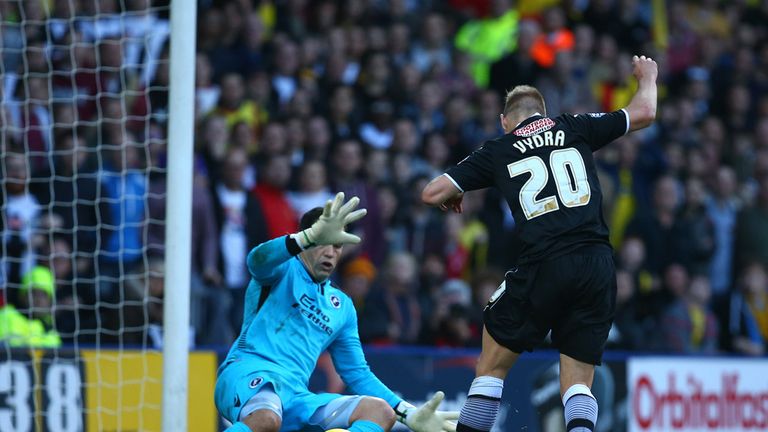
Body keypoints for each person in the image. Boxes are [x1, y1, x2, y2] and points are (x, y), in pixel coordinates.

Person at [421, 55, 658, 432]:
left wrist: (455, 192)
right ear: (544, 113)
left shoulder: (498, 148)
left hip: (545, 261)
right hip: (597, 264)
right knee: (578, 380)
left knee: (492, 363)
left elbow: (432, 193)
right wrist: (648, 76)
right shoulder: (575, 126)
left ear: (505, 121)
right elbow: (644, 111)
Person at [214, 192, 458, 432]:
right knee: (267, 419)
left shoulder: (342, 307)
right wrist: (305, 237)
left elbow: (357, 374)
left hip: (295, 397)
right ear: (306, 240)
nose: (330, 252)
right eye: (322, 242)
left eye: (338, 245)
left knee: (380, 412)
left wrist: (408, 412)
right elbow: (256, 260)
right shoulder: (282, 269)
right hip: (247, 373)